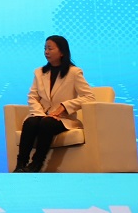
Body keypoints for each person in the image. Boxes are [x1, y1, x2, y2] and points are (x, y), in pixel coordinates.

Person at [14, 35, 95, 172]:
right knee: (30, 122)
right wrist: (40, 114)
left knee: (47, 123)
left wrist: (64, 106)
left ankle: (37, 164)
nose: (46, 52)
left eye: (50, 48)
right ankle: (20, 165)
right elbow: (32, 96)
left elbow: (89, 97)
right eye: (45, 48)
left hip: (62, 119)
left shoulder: (74, 72)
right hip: (42, 115)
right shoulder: (39, 72)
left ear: (62, 51)